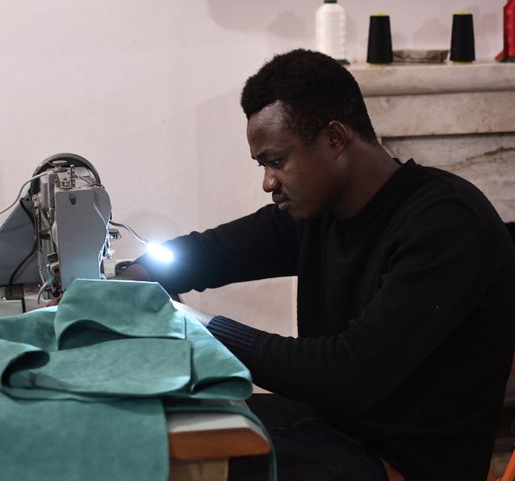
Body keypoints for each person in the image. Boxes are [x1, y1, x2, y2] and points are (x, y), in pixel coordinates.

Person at [118, 49, 515, 481]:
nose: (268, 181)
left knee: (183, 464)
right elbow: (213, 253)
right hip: (333, 426)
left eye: (276, 160)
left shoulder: (445, 224)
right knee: (161, 426)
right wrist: (135, 275)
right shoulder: (319, 212)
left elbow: (348, 373)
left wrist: (197, 328)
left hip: (405, 462)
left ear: (334, 139)